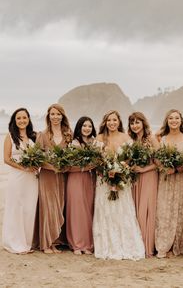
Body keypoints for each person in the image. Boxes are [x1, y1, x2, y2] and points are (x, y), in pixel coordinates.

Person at [93, 110, 145, 260]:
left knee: (123, 210)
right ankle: (107, 245)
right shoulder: (100, 138)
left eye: (114, 120)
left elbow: (131, 159)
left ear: (119, 122)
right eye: (109, 120)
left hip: (122, 179)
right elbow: (96, 160)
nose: (112, 123)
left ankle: (126, 244)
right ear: (105, 122)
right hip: (104, 180)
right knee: (106, 211)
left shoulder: (126, 137)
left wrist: (122, 169)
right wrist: (105, 172)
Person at [155, 109, 183, 258]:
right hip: (165, 178)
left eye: (176, 118)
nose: (174, 121)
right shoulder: (161, 138)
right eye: (170, 118)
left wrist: (177, 169)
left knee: (180, 209)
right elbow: (157, 158)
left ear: (181, 120)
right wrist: (164, 167)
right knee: (164, 209)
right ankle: (163, 245)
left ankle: (176, 245)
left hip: (182, 177)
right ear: (167, 121)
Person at [37, 103, 72, 254]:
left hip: (62, 176)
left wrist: (65, 166)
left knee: (60, 206)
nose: (55, 117)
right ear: (48, 116)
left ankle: (57, 240)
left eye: (58, 114)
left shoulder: (68, 135)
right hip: (47, 176)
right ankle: (46, 243)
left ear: (62, 116)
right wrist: (52, 167)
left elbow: (72, 157)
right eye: (52, 114)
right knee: (48, 207)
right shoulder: (42, 135)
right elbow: (37, 158)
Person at [2, 108, 38, 254]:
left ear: (29, 119)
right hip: (17, 178)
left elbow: (40, 155)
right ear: (14, 121)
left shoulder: (34, 137)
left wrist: (35, 165)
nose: (22, 120)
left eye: (24, 117)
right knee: (16, 208)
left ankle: (27, 243)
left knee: (29, 210)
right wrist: (23, 168)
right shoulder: (10, 136)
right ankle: (14, 243)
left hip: (32, 179)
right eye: (19, 118)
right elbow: (6, 159)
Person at [128, 112, 159, 257]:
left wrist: (143, 169)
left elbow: (159, 163)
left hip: (149, 177)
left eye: (137, 122)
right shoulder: (131, 141)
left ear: (143, 123)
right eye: (132, 123)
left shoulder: (151, 139)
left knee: (145, 211)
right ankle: (137, 244)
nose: (135, 125)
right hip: (135, 179)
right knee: (134, 210)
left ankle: (147, 247)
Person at [66, 116, 97, 255]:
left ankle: (88, 244)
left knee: (89, 210)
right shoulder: (73, 143)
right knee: (77, 210)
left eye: (89, 126)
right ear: (79, 127)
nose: (87, 128)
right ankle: (77, 244)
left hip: (90, 180)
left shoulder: (95, 143)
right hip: (76, 179)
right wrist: (87, 166)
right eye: (84, 126)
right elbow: (69, 166)